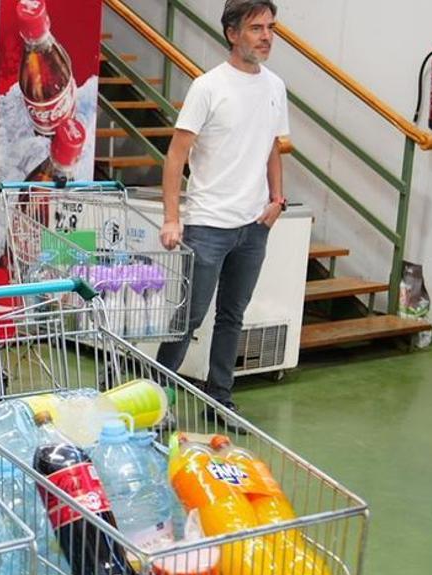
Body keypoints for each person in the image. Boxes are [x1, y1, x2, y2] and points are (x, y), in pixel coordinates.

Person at [156, 0, 289, 422]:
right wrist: (172, 217)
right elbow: (176, 155)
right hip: (208, 224)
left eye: (270, 28)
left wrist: (277, 200)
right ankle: (156, 395)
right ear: (233, 33)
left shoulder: (274, 87)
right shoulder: (208, 87)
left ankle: (220, 398)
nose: (266, 36)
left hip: (253, 226)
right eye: (256, 28)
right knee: (189, 316)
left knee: (233, 315)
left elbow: (272, 146)